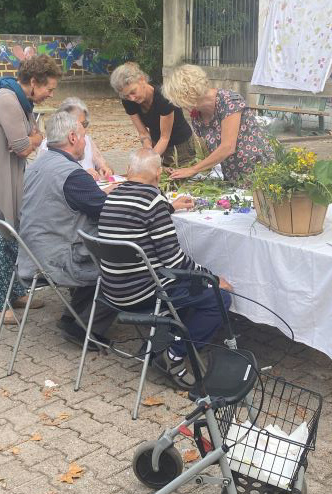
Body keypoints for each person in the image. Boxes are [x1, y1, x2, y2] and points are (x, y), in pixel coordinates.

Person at [98, 148, 232, 388]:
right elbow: (175, 261)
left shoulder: (113, 195)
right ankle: (173, 355)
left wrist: (169, 207)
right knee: (219, 298)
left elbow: (138, 218)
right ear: (159, 175)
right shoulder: (153, 202)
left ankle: (166, 337)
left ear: (129, 171)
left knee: (192, 288)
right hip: (142, 294)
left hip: (111, 291)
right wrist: (211, 278)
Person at [0, 54, 62, 324]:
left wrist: (33, 137)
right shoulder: (7, 100)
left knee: (11, 238)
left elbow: (32, 136)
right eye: (49, 88)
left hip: (7, 176)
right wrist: (32, 138)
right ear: (33, 82)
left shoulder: (22, 100)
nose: (51, 95)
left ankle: (16, 292)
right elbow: (22, 148)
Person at [17, 111, 118, 348]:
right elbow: (107, 212)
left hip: (33, 252)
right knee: (123, 264)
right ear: (73, 137)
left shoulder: (40, 162)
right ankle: (85, 329)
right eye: (84, 137)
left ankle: (73, 315)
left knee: (97, 249)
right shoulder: (72, 174)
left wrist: (98, 194)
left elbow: (78, 199)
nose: (86, 142)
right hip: (59, 257)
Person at [162, 64, 274, 184]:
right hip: (232, 174)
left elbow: (227, 147)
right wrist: (181, 169)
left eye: (180, 100)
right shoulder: (197, 116)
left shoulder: (228, 101)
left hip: (258, 171)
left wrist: (193, 170)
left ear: (188, 93)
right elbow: (206, 152)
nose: (181, 106)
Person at [109, 62, 196, 167]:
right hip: (156, 144)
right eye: (126, 96)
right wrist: (148, 151)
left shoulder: (164, 97)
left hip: (181, 147)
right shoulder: (128, 101)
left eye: (133, 92)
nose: (132, 98)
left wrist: (148, 161)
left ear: (142, 80)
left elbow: (164, 137)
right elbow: (143, 134)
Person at [38, 97, 113, 181]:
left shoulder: (86, 140)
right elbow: (50, 178)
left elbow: (104, 166)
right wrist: (83, 174)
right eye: (78, 124)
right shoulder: (50, 144)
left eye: (84, 124)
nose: (83, 130)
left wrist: (104, 169)